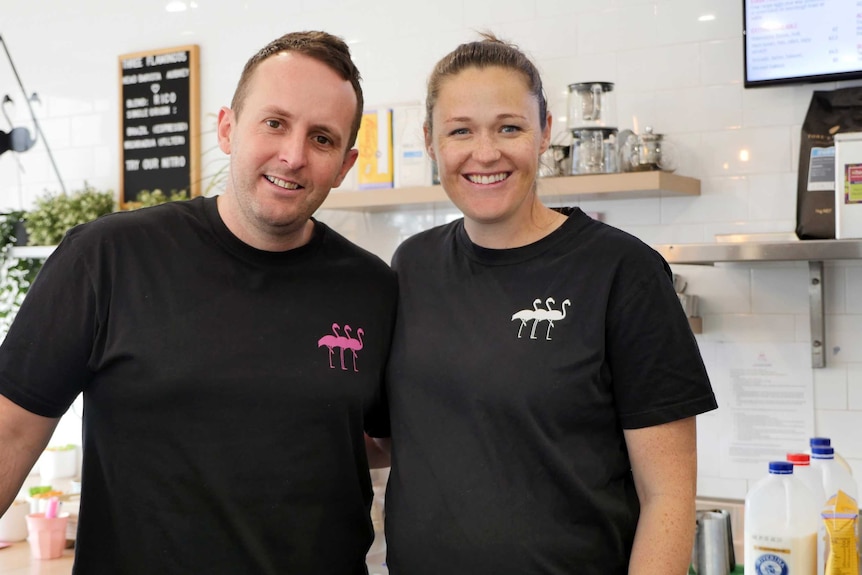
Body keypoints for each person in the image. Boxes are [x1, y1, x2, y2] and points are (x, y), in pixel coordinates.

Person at [0, 31, 396, 574]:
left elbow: (382, 439)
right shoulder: (107, 257)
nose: (294, 155)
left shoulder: (372, 289)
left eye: (322, 138)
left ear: (345, 165)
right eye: (274, 122)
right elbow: (11, 431)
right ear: (228, 128)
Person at [377, 33, 718, 575]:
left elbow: (669, 499)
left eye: (509, 127)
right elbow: (402, 437)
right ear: (431, 141)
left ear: (544, 133)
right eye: (460, 130)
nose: (484, 153)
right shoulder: (411, 264)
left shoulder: (623, 272)